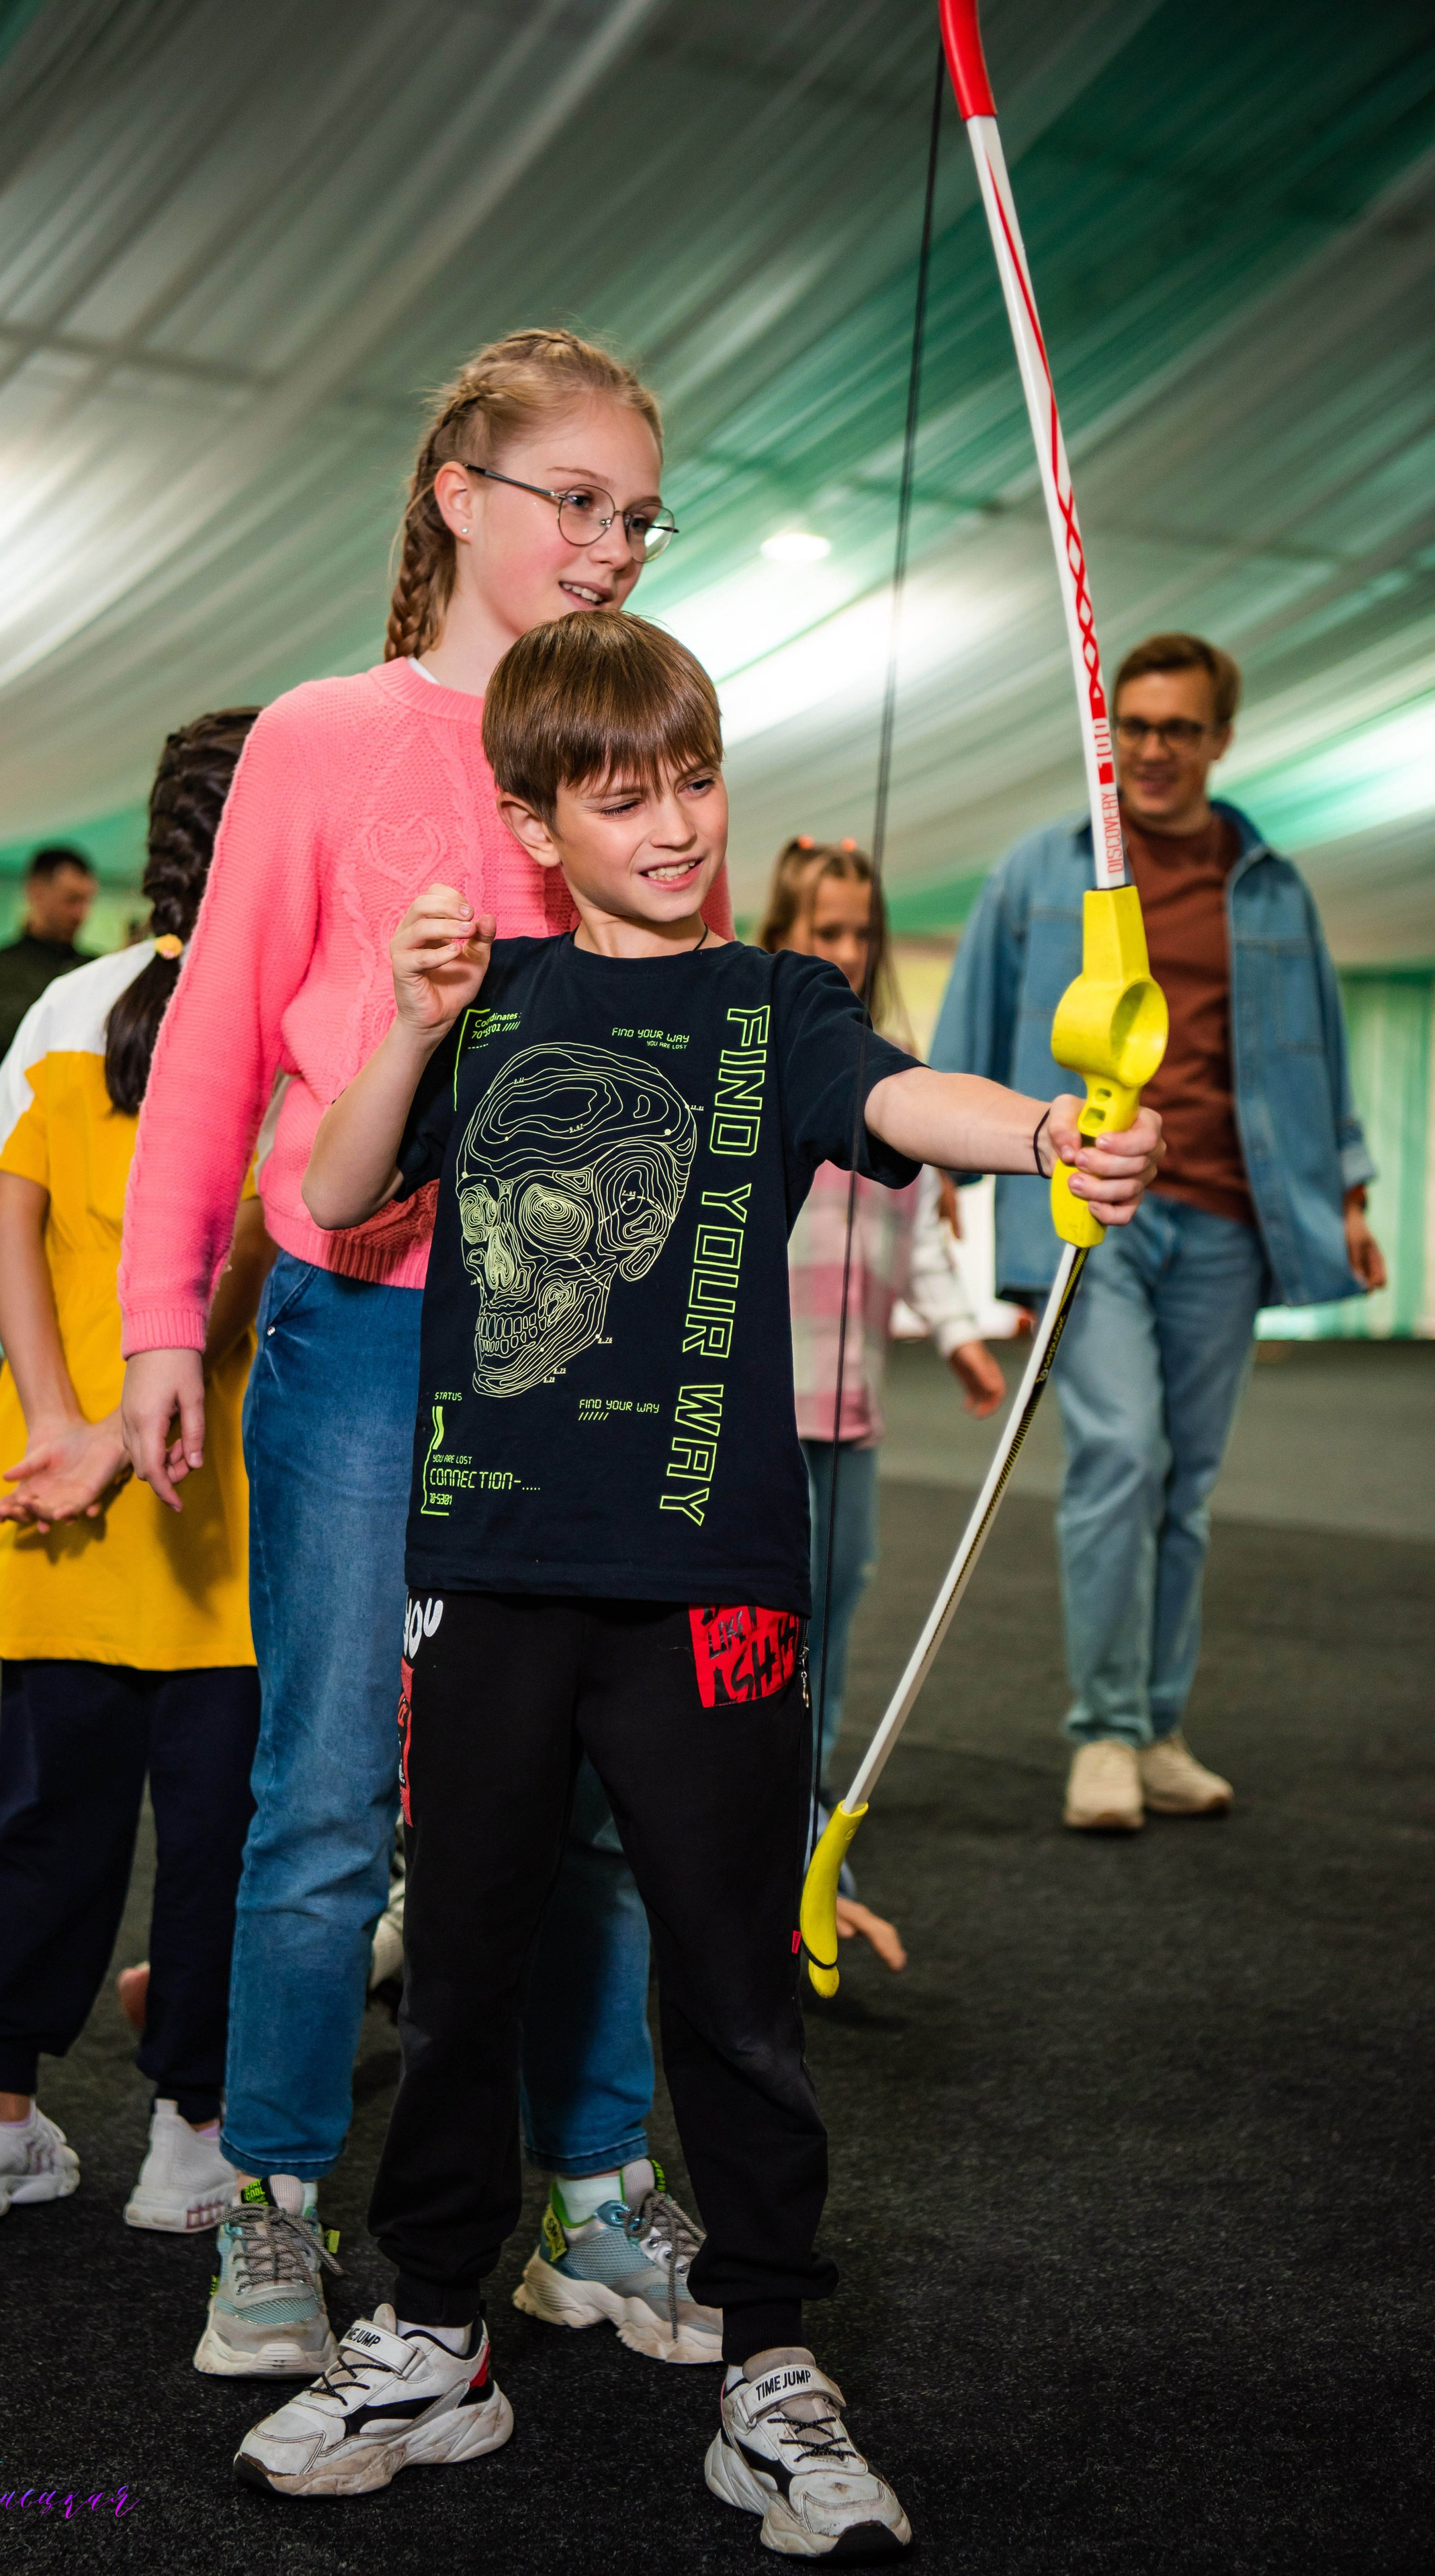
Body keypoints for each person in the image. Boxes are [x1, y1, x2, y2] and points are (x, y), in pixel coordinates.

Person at [240, 611, 1162, 2552]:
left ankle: (764, 2363)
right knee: (467, 1964)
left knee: (735, 1980)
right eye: (618, 790)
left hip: (710, 1581)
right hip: (486, 1568)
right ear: (535, 818)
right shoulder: (485, 1000)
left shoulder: (770, 1005)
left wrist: (1055, 1131)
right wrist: (409, 1017)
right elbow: (329, 1196)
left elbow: (912, 1099)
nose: (672, 820)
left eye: (694, 776)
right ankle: (430, 2329)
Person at [118, 330, 734, 2383]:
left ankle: (587, 2193)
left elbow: (686, 1047)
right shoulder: (319, 733)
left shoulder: (630, 734)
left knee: (589, 1797)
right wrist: (153, 1331)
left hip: (578, 1367)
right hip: (359, 1336)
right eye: (577, 498)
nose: (611, 543)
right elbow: (211, 1051)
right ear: (458, 491)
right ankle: (273, 2209)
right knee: (315, 1801)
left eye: (638, 513)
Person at [0, 713, 275, 2234]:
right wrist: (125, 1439)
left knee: (44, 1822)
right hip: (215, 1513)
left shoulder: (70, 1000)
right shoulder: (275, 1018)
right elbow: (239, 1278)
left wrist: (60, 1418)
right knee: (217, 1842)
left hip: (53, 1493)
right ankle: (190, 2141)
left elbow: (2, 1214)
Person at [932, 632, 1384, 1833]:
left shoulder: (1269, 880)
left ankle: (1159, 1726)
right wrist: (939, 1160)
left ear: (1220, 739)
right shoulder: (1041, 868)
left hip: (1231, 1216)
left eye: (1180, 729)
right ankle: (1101, 1733)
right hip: (1093, 1211)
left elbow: (1311, 1048)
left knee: (1188, 1483)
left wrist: (1349, 1188)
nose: (1152, 750)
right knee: (1122, 1453)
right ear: (1109, 731)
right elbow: (972, 1021)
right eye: (1134, 726)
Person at [759, 836, 1007, 1962]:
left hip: (852, 1420)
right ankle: (751, 1838)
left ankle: (812, 1837)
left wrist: (958, 1338)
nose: (849, 950)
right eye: (826, 931)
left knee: (837, 1638)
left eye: (862, 931)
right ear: (783, 933)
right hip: (757, 1409)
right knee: (760, 1643)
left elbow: (918, 1249)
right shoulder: (755, 1053)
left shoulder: (891, 1077)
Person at [0, 844, 97, 1065]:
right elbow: (22, 1036)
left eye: (87, 901)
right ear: (36, 892)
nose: (81, 913)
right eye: (71, 900)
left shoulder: (95, 965)